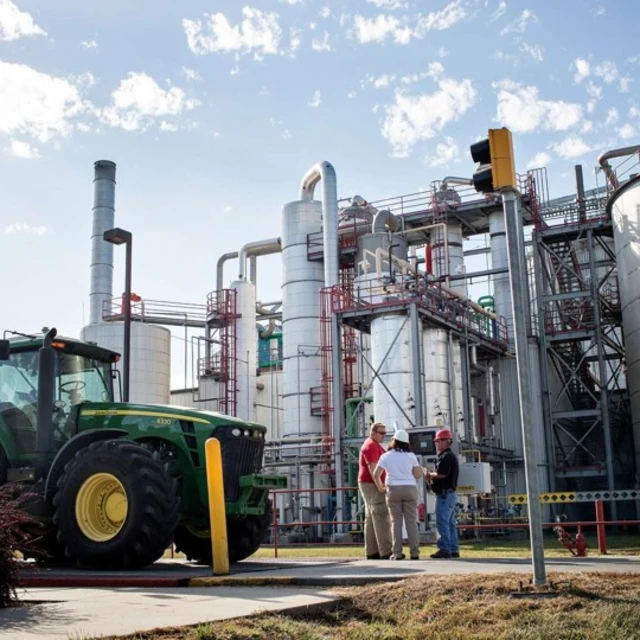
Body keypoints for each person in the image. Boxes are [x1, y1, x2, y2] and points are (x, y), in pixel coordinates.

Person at [373, 428, 423, 560]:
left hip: (393, 489)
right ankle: (415, 552)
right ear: (406, 443)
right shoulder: (411, 456)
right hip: (410, 489)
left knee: (396, 523)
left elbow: (376, 474)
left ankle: (397, 553)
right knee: (411, 522)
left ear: (393, 441)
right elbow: (418, 474)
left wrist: (381, 487)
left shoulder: (386, 456)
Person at [358, 422, 392, 560]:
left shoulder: (372, 445)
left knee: (371, 517)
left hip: (368, 483)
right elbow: (373, 468)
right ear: (372, 433)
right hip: (372, 484)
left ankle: (372, 551)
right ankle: (386, 551)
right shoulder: (371, 446)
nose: (384, 435)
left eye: (384, 433)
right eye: (381, 433)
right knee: (380, 514)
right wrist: (380, 486)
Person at [425, 428, 460, 559]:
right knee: (450, 523)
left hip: (444, 495)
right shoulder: (449, 456)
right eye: (436, 441)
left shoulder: (446, 457)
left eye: (439, 441)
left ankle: (445, 548)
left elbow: (441, 474)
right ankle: (453, 548)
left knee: (442, 523)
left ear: (446, 441)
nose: (436, 444)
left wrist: (429, 475)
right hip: (450, 494)